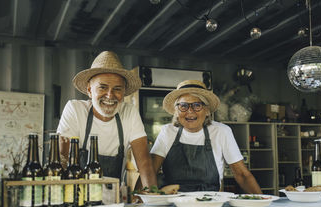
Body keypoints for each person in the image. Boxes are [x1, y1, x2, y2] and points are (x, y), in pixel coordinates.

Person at [57, 51, 157, 188]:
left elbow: (145, 164)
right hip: (77, 199)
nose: (110, 96)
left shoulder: (130, 113)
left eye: (117, 89)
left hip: (113, 201)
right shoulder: (75, 110)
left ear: (124, 92)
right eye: (102, 87)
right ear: (89, 90)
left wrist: (151, 198)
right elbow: (61, 160)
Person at [150, 79, 262, 193]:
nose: (190, 111)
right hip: (173, 204)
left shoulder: (221, 132)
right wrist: (139, 198)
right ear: (176, 111)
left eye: (197, 105)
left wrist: (261, 203)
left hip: (210, 204)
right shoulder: (167, 132)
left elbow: (242, 175)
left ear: (207, 110)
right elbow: (150, 172)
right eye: (183, 106)